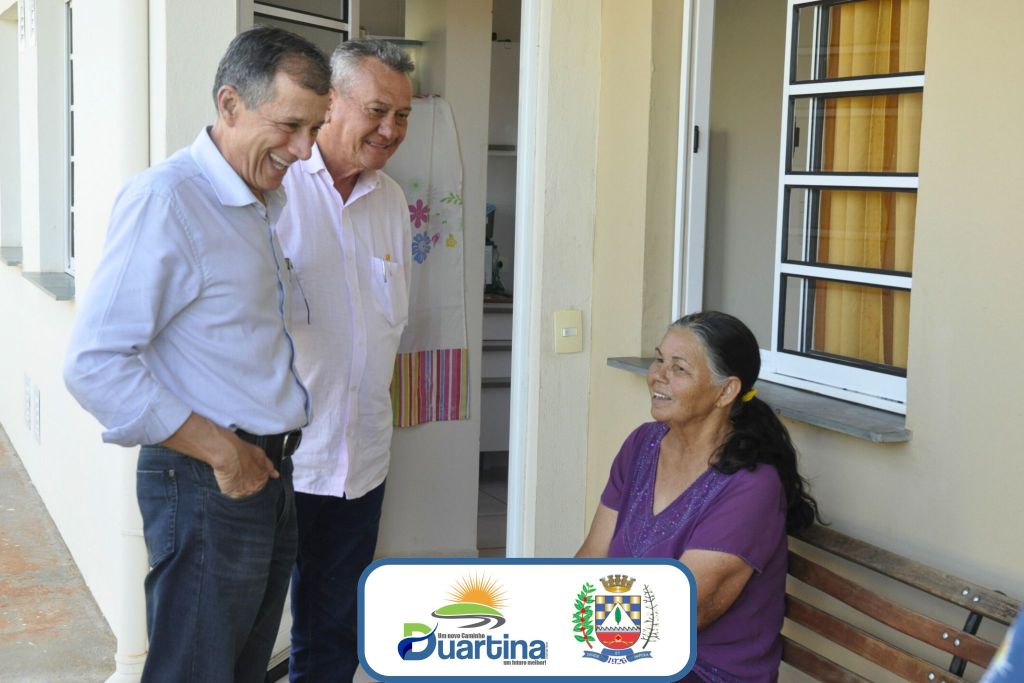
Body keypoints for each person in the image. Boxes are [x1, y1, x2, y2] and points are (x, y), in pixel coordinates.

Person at [62, 27, 331, 682]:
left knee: (236, 670)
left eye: (314, 129)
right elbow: (94, 363)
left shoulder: (259, 201)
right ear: (230, 104)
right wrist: (222, 453)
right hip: (208, 479)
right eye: (290, 126)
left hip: (265, 473)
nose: (304, 151)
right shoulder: (169, 199)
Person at [272, 39, 414, 682]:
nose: (390, 130)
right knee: (246, 626)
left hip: (362, 460)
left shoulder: (391, 201)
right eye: (377, 111)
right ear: (330, 104)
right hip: (282, 458)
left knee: (334, 632)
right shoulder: (276, 188)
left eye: (402, 116)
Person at [577, 310, 821, 682]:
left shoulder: (751, 486)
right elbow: (591, 560)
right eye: (659, 360)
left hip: (701, 670)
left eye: (679, 368)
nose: (658, 375)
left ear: (726, 391)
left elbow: (680, 616)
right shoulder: (642, 445)